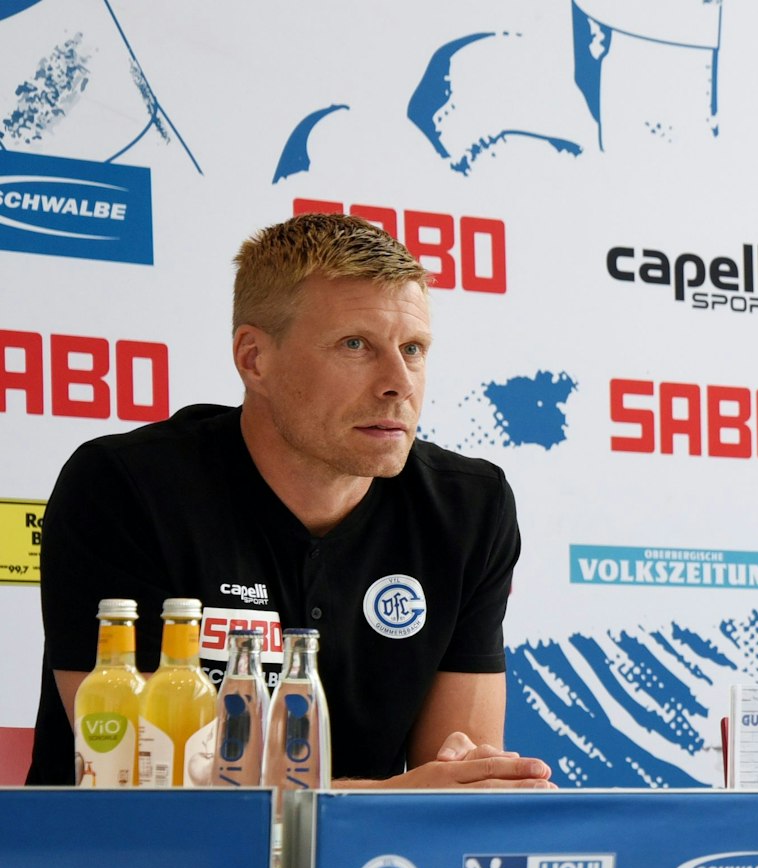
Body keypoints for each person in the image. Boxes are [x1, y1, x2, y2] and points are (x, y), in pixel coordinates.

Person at [30, 212, 552, 789]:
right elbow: (138, 773)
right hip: (126, 867)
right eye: (356, 345)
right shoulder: (123, 486)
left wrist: (450, 784)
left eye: (414, 348)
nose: (399, 381)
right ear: (254, 359)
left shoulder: (470, 509)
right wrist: (383, 797)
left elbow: (458, 784)